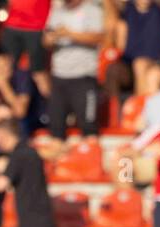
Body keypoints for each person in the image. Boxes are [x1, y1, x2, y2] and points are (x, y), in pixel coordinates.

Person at [45, 0, 106, 147]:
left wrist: (70, 34)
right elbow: (46, 40)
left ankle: (91, 164)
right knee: (56, 129)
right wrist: (51, 39)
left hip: (83, 76)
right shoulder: (57, 11)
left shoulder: (92, 9)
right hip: (59, 76)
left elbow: (98, 37)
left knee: (88, 127)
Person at [103, 0, 160, 100]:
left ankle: (138, 106)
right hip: (129, 63)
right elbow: (111, 6)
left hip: (155, 62)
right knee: (112, 70)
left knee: (140, 64)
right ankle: (113, 111)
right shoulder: (127, 10)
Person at [0, 0, 53, 99]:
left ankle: (54, 109)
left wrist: (51, 26)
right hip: (11, 25)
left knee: (39, 73)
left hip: (36, 27)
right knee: (5, 69)